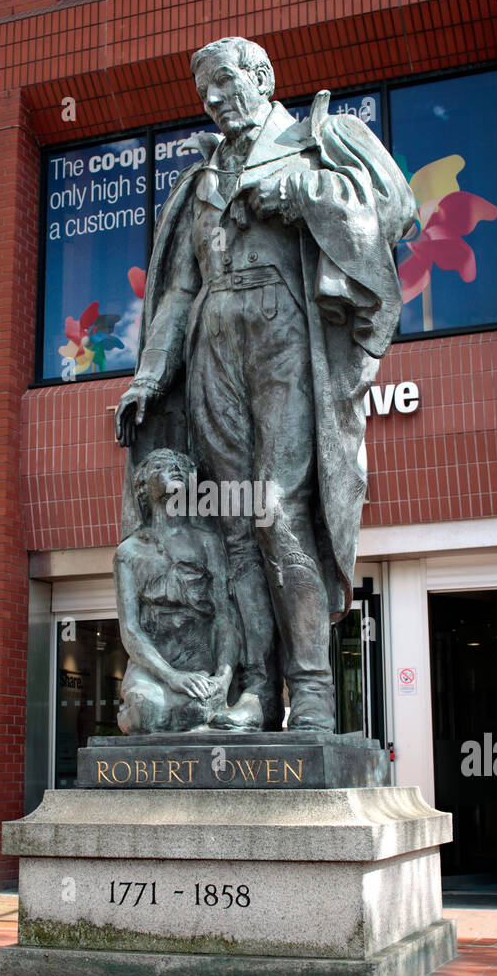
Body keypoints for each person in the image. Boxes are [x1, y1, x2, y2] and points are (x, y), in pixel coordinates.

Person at [116, 37, 415, 731]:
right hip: (213, 344)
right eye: (203, 93)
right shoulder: (201, 179)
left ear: (262, 77)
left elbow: (392, 210)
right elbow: (181, 287)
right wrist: (152, 373)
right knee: (236, 531)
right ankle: (256, 690)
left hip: (284, 339)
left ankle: (310, 691)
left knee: (276, 513)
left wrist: (303, 194)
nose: (214, 99)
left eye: (224, 83)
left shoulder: (319, 142)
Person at [114, 447, 262, 733]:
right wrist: (171, 677)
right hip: (155, 669)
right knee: (147, 714)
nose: (176, 468)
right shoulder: (128, 554)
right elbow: (130, 630)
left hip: (200, 665)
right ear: (143, 487)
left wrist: (224, 675)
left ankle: (209, 705)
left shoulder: (207, 542)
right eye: (163, 466)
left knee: (199, 707)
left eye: (180, 465)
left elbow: (224, 617)